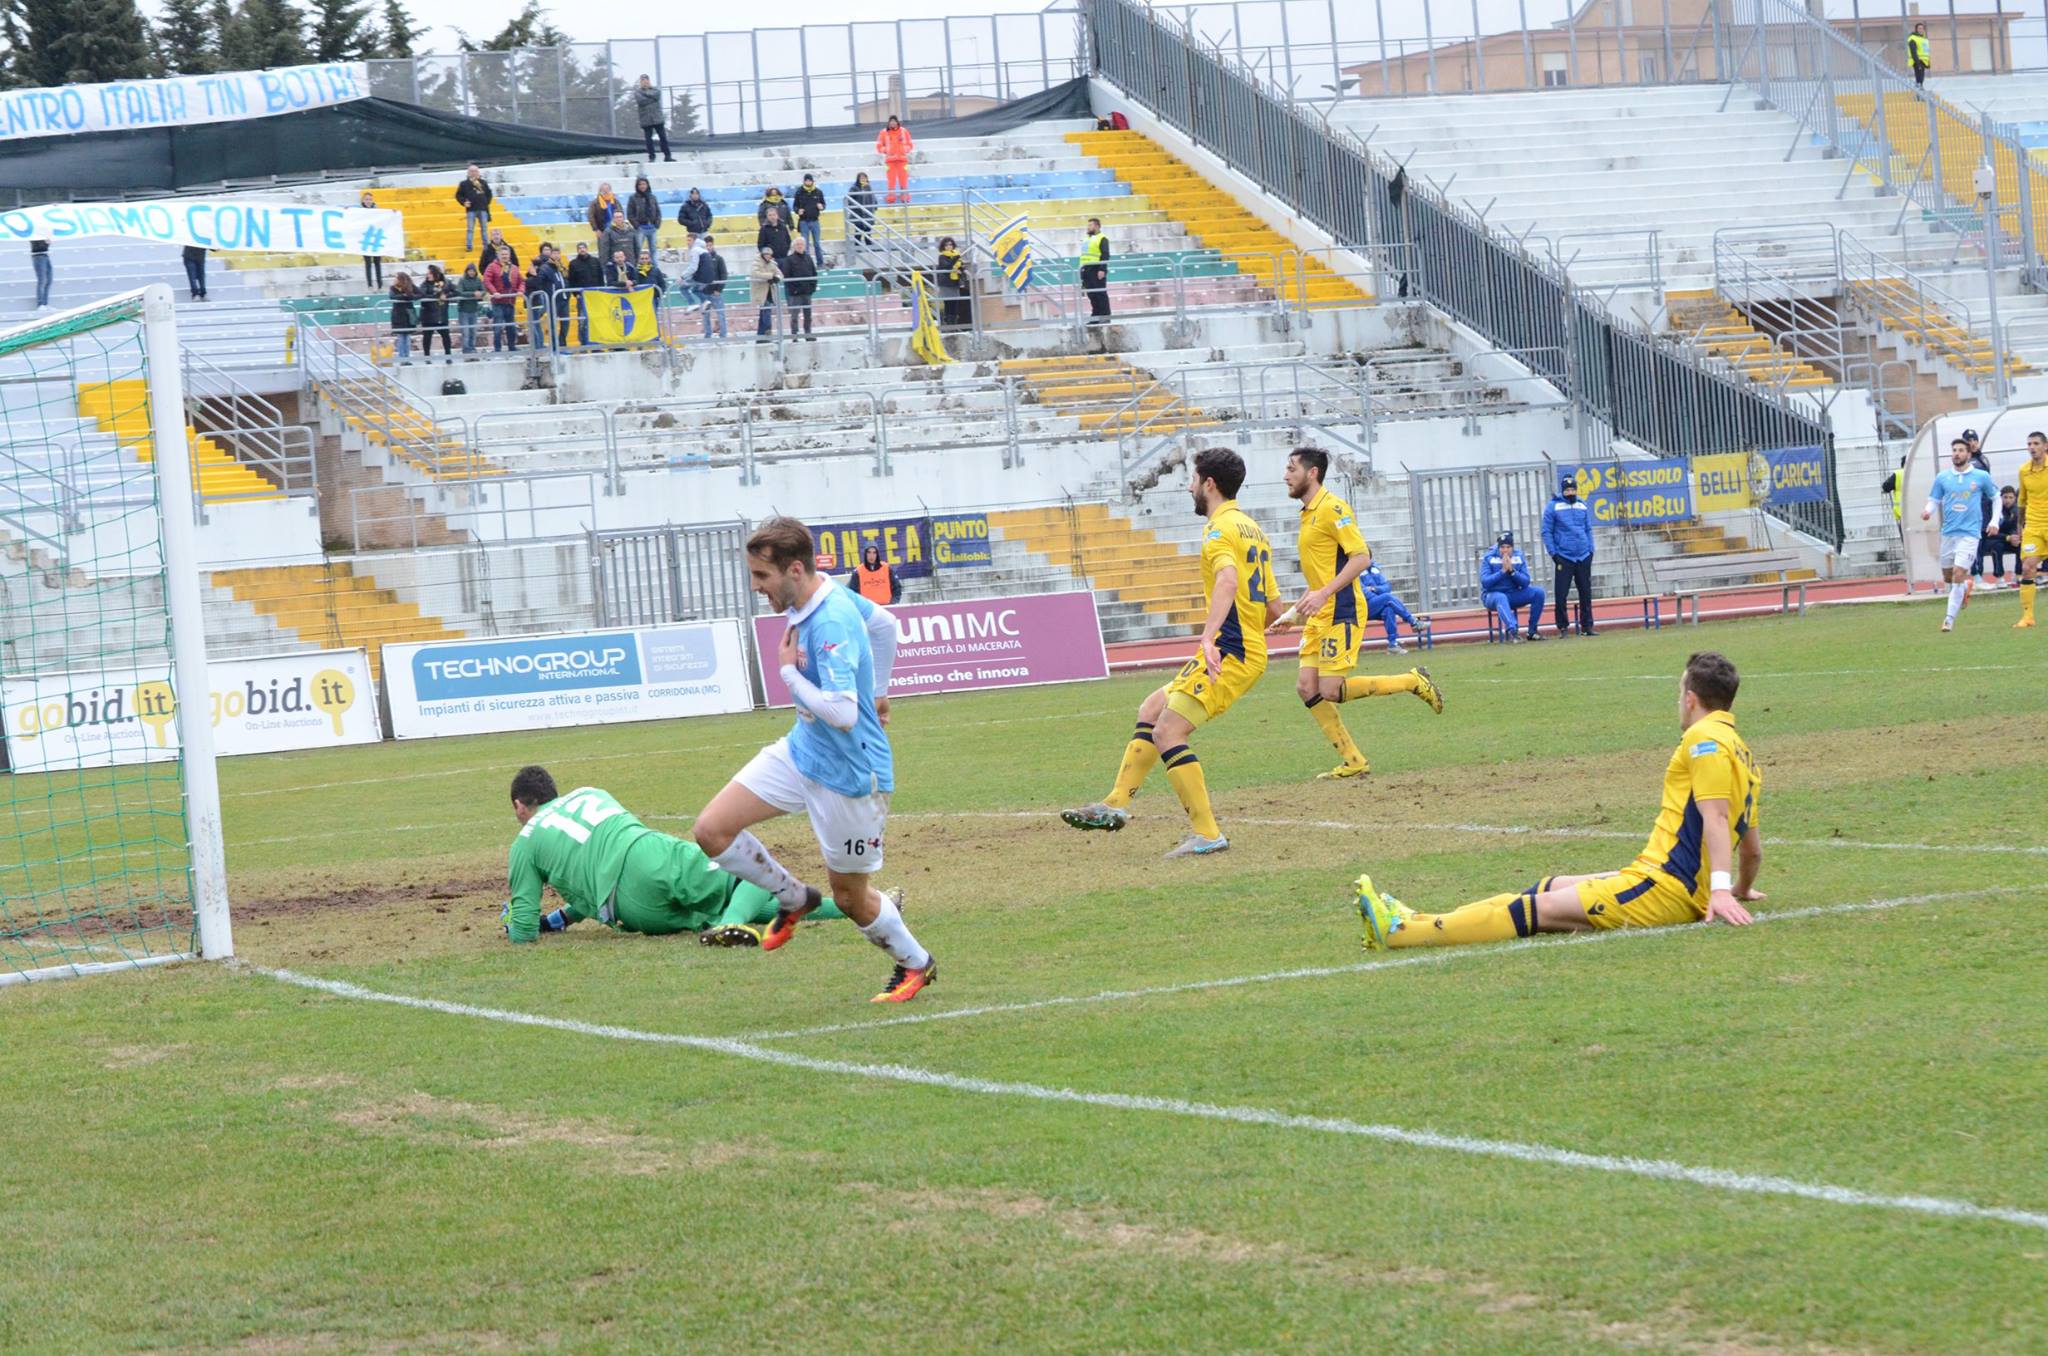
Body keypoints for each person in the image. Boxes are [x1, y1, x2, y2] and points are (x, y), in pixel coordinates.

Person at [1356, 651, 1762, 950]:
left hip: (1666, 887)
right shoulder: (1743, 753)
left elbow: (1716, 816)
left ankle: (1402, 932)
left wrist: (1722, 891)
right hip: (1660, 876)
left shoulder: (1704, 740)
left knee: (1536, 910)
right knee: (1547, 888)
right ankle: (1420, 917)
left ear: (1690, 698)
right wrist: (1742, 886)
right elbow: (1752, 847)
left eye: (1679, 693)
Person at [689, 516, 938, 1003]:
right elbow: (886, 624)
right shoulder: (821, 594)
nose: (757, 588)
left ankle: (915, 962)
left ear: (795, 570)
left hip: (850, 776)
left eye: (762, 577)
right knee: (711, 830)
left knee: (850, 899)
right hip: (801, 751)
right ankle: (793, 897)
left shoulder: (831, 621)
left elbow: (844, 713)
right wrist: (881, 692)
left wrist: (788, 674)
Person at [1062, 448, 1272, 858]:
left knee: (1168, 732)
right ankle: (1117, 804)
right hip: (1239, 647)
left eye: (1192, 479)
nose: (1189, 486)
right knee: (1152, 709)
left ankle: (1208, 834)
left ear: (1209, 483)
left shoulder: (1218, 530)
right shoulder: (1251, 528)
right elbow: (1272, 604)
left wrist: (1208, 638)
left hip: (1229, 651)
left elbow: (1228, 581)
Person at [501, 767, 849, 948]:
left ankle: (856, 907)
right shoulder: (590, 793)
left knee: (752, 904)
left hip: (630, 910)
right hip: (648, 855)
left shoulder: (524, 844)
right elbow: (610, 854)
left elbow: (525, 932)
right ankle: (730, 923)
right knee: (750, 869)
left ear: (520, 805)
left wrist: (522, 923)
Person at [1267, 447, 1442, 779]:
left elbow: (1361, 557)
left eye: (1291, 469)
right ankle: (1353, 760)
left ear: (1312, 473)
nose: (1286, 475)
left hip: (1342, 610)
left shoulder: (1333, 508)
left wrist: (1323, 594)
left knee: (1331, 690)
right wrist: (1294, 613)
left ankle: (1412, 681)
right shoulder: (1307, 514)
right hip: (1321, 614)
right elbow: (1320, 578)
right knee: (1306, 687)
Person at [1923, 435, 1998, 633]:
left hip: (1970, 534)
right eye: (1954, 450)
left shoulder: (1981, 477)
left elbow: (1996, 497)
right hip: (1948, 533)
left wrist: (1993, 521)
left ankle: (1949, 620)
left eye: (1960, 450)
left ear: (1968, 454)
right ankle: (1965, 587)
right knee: (1948, 577)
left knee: (1958, 573)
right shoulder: (1943, 478)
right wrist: (1928, 511)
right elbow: (1934, 499)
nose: (1956, 454)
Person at [1541, 470, 1596, 637]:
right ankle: (1563, 627)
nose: (1570, 493)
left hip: (1583, 554)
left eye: (1573, 490)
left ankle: (1587, 626)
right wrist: (1554, 553)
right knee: (1561, 593)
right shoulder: (1553, 506)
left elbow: (1588, 529)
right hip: (1564, 556)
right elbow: (1546, 532)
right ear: (1562, 490)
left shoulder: (1582, 504)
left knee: (1585, 592)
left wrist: (1591, 549)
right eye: (1567, 490)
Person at [1480, 530, 1545, 642]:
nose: (1505, 550)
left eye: (1508, 547)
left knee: (1538, 592)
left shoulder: (1518, 556)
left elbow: (1525, 582)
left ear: (1512, 547)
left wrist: (1512, 572)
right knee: (1501, 597)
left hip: (1513, 594)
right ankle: (1513, 632)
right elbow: (1485, 582)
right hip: (1491, 595)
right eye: (1502, 547)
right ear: (1498, 547)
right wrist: (1502, 571)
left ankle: (1532, 631)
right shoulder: (1489, 557)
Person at [2016, 429, 2048, 628]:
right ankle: (2028, 617)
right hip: (2034, 525)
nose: (2032, 448)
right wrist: (2020, 526)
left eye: (2036, 444)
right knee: (2028, 567)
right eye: (2029, 444)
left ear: (2045, 446)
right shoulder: (2024, 470)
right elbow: (2022, 501)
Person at [1360, 559, 1419, 654]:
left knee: (1388, 609)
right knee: (1387, 598)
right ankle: (1412, 621)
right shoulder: (1354, 571)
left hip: (1374, 605)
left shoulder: (1374, 569)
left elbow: (1387, 587)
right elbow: (1363, 593)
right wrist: (1381, 596)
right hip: (1361, 606)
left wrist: (1374, 589)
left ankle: (1393, 645)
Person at [1977, 485, 2020, 587]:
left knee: (2021, 545)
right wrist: (2007, 537)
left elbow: (2016, 527)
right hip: (1994, 540)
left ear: (2015, 498)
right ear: (2000, 498)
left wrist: (2015, 537)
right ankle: (1999, 577)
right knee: (1997, 546)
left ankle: (2018, 575)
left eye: (2011, 497)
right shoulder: (1994, 510)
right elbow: (1990, 532)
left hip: (2010, 540)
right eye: (2005, 497)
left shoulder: (2016, 511)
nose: (2008, 500)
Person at [483, 247, 524, 352]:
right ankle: (497, 348)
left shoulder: (514, 268)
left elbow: (521, 281)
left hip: (510, 301)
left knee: (511, 326)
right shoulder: (492, 267)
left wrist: (520, 290)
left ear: (509, 255)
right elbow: (487, 281)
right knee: (498, 326)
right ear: (498, 255)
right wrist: (494, 292)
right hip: (498, 302)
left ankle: (512, 346)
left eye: (506, 254)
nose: (505, 256)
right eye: (502, 254)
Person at [565, 242, 604, 345]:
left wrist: (601, 292)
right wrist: (575, 294)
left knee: (597, 319)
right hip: (582, 297)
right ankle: (583, 343)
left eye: (584, 248)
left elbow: (601, 278)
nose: (582, 250)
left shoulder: (595, 261)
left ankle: (598, 342)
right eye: (580, 248)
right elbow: (571, 281)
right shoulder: (573, 264)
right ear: (577, 250)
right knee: (582, 321)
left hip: (595, 296)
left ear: (587, 249)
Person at [526, 244, 564, 350]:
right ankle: (539, 345)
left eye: (549, 250)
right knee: (535, 323)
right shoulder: (542, 266)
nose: (547, 251)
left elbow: (537, 283)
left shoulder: (555, 266)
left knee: (536, 322)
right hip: (536, 300)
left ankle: (540, 345)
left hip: (540, 300)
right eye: (545, 249)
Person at [780, 237, 818, 340]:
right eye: (798, 244)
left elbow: (814, 273)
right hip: (795, 294)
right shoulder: (789, 260)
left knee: (808, 315)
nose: (800, 246)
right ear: (794, 246)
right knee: (794, 316)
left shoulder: (808, 258)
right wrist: (794, 290)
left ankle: (808, 334)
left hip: (807, 292)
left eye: (801, 244)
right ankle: (794, 335)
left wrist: (812, 287)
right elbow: (786, 276)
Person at [693, 236, 728, 338]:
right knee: (705, 316)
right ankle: (708, 335)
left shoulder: (719, 259)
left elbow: (724, 275)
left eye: (710, 245)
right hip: (704, 293)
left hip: (715, 293)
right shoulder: (700, 260)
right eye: (706, 246)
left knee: (721, 315)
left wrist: (719, 289)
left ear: (713, 245)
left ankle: (723, 335)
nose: (708, 248)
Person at [633, 75, 673, 162]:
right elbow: (641, 101)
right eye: (642, 80)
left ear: (649, 81)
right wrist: (652, 98)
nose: (644, 82)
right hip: (646, 119)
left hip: (657, 118)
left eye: (646, 80)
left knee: (663, 137)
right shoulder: (637, 92)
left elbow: (657, 95)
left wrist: (646, 95)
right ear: (640, 82)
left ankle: (667, 156)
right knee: (648, 139)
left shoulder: (655, 90)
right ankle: (651, 157)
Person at [455, 165, 493, 251]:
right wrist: (464, 202)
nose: (473, 173)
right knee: (470, 229)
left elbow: (489, 194)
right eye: (471, 171)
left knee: (484, 228)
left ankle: (486, 246)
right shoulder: (464, 184)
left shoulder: (483, 182)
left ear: (478, 172)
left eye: (475, 171)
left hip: (482, 209)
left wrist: (486, 203)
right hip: (471, 210)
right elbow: (458, 195)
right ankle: (469, 246)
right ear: (468, 173)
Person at [936, 237, 971, 330]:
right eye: (946, 245)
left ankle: (954, 323)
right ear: (943, 246)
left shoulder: (956, 255)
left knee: (955, 303)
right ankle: (949, 324)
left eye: (950, 244)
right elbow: (947, 267)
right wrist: (955, 259)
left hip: (954, 283)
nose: (949, 246)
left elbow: (961, 266)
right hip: (946, 283)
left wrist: (961, 270)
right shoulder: (942, 256)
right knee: (948, 303)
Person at [876, 114, 913, 204]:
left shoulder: (904, 131)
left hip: (902, 160)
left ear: (897, 122)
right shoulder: (883, 132)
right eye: (891, 121)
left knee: (903, 179)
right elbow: (879, 145)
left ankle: (904, 196)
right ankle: (891, 197)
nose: (892, 123)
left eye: (894, 121)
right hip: (890, 161)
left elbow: (910, 144)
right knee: (891, 180)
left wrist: (904, 150)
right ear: (889, 123)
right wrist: (886, 150)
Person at [418, 263, 452, 360]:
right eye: (427, 273)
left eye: (430, 273)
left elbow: (455, 291)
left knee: (445, 336)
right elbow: (422, 294)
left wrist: (446, 296)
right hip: (428, 316)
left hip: (441, 314)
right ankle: (427, 357)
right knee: (427, 337)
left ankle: (448, 355)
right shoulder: (424, 284)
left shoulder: (445, 283)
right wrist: (436, 296)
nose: (428, 275)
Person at [1080, 217, 1111, 324]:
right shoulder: (1087, 239)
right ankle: (1095, 317)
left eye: (1090, 225)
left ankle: (1104, 317)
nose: (1088, 227)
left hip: (1096, 269)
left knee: (1100, 294)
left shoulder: (1102, 238)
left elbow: (1105, 254)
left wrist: (1102, 269)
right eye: (1088, 225)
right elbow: (1084, 256)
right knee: (1092, 295)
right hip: (1086, 270)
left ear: (1097, 226)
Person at [626, 176, 662, 264]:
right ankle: (638, 269)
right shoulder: (633, 198)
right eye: (640, 184)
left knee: (653, 250)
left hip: (652, 228)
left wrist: (657, 224)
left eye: (644, 184)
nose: (642, 186)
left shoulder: (652, 197)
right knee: (638, 249)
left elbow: (658, 211)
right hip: (640, 228)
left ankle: (655, 269)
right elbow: (630, 213)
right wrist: (637, 225)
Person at [793, 174, 827, 266]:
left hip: (815, 220)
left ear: (812, 181)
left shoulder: (818, 192)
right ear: (804, 181)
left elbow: (824, 204)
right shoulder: (799, 192)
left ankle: (820, 263)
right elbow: (794, 206)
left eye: (809, 180)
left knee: (817, 243)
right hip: (804, 221)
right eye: (806, 180)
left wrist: (822, 207)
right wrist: (798, 211)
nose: (808, 182)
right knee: (805, 245)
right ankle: (806, 264)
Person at [750, 248, 781, 341]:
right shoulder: (756, 262)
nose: (768, 256)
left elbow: (780, 274)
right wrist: (770, 276)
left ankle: (760, 335)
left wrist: (777, 278)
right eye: (766, 254)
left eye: (769, 254)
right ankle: (768, 332)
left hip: (769, 292)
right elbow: (755, 273)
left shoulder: (772, 264)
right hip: (760, 291)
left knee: (764, 312)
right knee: (766, 311)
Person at [388, 271, 418, 363]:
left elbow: (420, 294)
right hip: (398, 314)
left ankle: (407, 357)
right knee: (401, 336)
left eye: (396, 278)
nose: (394, 279)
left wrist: (410, 296)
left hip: (408, 314)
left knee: (407, 337)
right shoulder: (393, 288)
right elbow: (392, 297)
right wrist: (405, 296)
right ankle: (402, 358)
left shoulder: (410, 286)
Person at [455, 264, 484, 356]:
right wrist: (474, 294)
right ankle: (466, 349)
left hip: (474, 309)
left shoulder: (478, 280)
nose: (471, 272)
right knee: (465, 331)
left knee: (473, 331)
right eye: (470, 270)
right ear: (466, 271)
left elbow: (484, 290)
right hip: (463, 310)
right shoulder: (462, 280)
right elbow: (460, 292)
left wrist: (480, 293)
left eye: (473, 271)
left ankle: (472, 347)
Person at [846, 171, 877, 251]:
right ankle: (857, 247)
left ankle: (869, 246)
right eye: (861, 178)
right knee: (858, 231)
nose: (863, 179)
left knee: (868, 231)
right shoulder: (854, 188)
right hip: (858, 214)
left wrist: (875, 207)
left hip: (868, 213)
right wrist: (856, 208)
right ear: (858, 179)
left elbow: (873, 198)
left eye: (864, 178)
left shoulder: (869, 187)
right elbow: (849, 199)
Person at [358, 192, 383, 289]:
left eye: (370, 199)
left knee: (377, 263)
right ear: (363, 200)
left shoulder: (377, 211)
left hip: (376, 239)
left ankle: (380, 285)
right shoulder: (358, 210)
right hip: (365, 240)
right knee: (368, 263)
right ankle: (370, 285)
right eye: (366, 199)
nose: (368, 201)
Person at [1908, 21, 1931, 88]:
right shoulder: (1913, 39)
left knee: (1921, 79)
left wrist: (1928, 62)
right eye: (1919, 28)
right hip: (1917, 61)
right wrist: (1918, 63)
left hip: (1923, 61)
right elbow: (1913, 52)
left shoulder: (1924, 39)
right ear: (1916, 29)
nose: (1921, 30)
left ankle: (1920, 92)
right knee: (1919, 79)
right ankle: (1919, 94)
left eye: (1922, 28)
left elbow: (1926, 51)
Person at [29, 238, 50, 309]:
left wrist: (47, 243)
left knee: (49, 280)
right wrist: (46, 242)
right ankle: (40, 304)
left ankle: (45, 303)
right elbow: (38, 247)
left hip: (45, 255)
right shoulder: (35, 235)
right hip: (38, 256)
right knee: (42, 280)